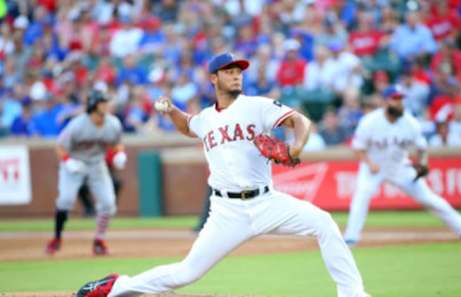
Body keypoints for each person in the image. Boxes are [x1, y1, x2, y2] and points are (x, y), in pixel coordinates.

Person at [74, 53, 371, 297]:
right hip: (226, 212)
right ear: (214, 78)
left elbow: (299, 120)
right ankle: (116, 287)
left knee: (323, 223)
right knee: (186, 273)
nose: (236, 75)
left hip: (268, 203)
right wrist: (171, 110)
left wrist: (296, 146)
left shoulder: (257, 105)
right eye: (228, 71)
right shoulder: (206, 118)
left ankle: (353, 294)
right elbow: (188, 125)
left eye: (238, 71)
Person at [344, 85, 461, 246]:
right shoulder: (370, 121)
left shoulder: (410, 123)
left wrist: (423, 163)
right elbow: (358, 148)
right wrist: (370, 163)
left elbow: (422, 148)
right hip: (373, 166)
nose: (399, 103)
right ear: (385, 102)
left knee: (429, 199)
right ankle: (351, 237)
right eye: (395, 99)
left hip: (400, 167)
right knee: (361, 196)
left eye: (401, 99)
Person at [45, 90, 127, 256]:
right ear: (93, 105)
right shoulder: (77, 124)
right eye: (103, 102)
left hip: (97, 164)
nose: (106, 105)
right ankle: (57, 238)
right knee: (65, 200)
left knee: (108, 203)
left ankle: (99, 240)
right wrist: (68, 161)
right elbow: (59, 147)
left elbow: (116, 144)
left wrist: (119, 153)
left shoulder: (113, 123)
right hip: (75, 164)